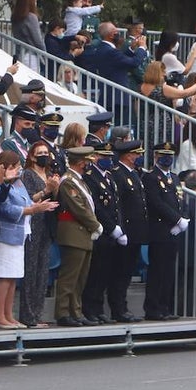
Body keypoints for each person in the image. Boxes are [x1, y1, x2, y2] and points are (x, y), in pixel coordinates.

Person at [0, 152, 55, 328]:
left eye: (18, 166)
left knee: (13, 276)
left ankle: (9, 315)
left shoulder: (18, 182)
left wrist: (39, 206)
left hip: (20, 234)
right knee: (3, 275)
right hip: (5, 235)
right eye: (14, 166)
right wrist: (31, 210)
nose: (17, 169)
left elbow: (26, 201)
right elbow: (5, 208)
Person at [80, 140, 127, 323]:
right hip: (99, 231)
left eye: (109, 156)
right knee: (95, 272)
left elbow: (116, 205)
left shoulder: (109, 176)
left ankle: (99, 309)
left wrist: (119, 227)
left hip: (111, 233)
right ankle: (90, 309)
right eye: (103, 156)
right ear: (95, 157)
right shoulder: (90, 177)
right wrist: (111, 227)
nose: (107, 159)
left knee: (105, 272)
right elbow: (97, 207)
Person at [54, 147, 102, 326]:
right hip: (73, 233)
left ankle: (76, 311)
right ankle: (63, 312)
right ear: (81, 162)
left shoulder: (80, 181)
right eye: (88, 161)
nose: (89, 164)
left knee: (80, 278)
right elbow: (78, 208)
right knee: (69, 277)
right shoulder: (68, 181)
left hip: (82, 234)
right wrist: (95, 225)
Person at [143, 142, 188, 321]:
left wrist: (182, 218)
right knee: (158, 271)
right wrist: (176, 219)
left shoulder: (175, 178)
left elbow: (180, 201)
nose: (167, 158)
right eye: (163, 155)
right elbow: (156, 202)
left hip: (173, 232)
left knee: (169, 271)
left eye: (170, 155)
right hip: (159, 229)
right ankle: (153, 308)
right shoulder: (151, 177)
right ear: (156, 156)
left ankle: (165, 306)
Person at [19, 140, 61, 327]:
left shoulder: (50, 174)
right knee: (31, 270)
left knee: (43, 271)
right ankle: (27, 315)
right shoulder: (27, 174)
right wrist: (46, 190)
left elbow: (57, 199)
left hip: (47, 225)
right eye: (40, 152)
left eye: (46, 152)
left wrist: (56, 188)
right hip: (33, 225)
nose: (44, 155)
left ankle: (37, 313)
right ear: (32, 155)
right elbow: (28, 199)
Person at [109, 140, 147, 323]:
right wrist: (121, 229)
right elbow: (119, 205)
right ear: (128, 155)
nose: (139, 157)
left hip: (136, 231)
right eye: (136, 154)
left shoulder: (134, 174)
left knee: (127, 271)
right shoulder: (118, 174)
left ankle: (122, 307)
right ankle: (118, 308)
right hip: (125, 231)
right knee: (120, 272)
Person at [11, 0, 46, 73]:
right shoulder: (31, 17)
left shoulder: (15, 17)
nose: (36, 3)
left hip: (20, 54)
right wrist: (45, 54)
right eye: (35, 1)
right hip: (31, 56)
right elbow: (38, 40)